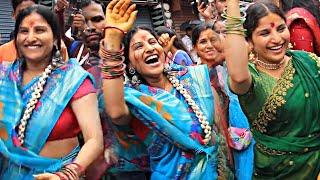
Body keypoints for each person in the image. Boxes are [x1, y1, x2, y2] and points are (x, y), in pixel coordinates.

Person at [100, 0, 237, 179]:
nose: (149, 48)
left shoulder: (191, 78)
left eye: (152, 42)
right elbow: (116, 112)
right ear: (130, 64)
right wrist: (112, 38)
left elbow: (217, 131)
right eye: (139, 46)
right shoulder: (136, 100)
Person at [0, 5, 103, 179]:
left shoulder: (73, 79)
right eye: (24, 31)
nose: (31, 38)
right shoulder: (4, 76)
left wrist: (67, 174)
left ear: (55, 37)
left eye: (40, 30)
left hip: (57, 174)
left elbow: (94, 140)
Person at [224, 0, 320, 178]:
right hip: (278, 171)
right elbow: (237, 75)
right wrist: (232, 4)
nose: (277, 39)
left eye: (281, 28)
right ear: (249, 42)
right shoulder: (251, 78)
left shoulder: (308, 62)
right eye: (265, 33)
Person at [192, 22, 253, 180]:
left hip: (237, 138)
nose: (209, 45)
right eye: (203, 42)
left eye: (213, 40)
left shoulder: (227, 69)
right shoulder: (192, 78)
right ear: (194, 48)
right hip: (214, 145)